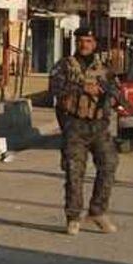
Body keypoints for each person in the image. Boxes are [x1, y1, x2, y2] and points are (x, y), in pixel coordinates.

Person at [49, 27, 120, 235]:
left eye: (88, 41)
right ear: (76, 42)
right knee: (74, 172)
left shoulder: (105, 68)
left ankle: (98, 211)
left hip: (99, 126)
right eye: (81, 40)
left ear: (94, 43)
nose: (84, 45)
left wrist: (111, 95)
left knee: (109, 165)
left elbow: (116, 91)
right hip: (75, 126)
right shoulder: (64, 66)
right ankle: (73, 217)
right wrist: (83, 88)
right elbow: (55, 89)